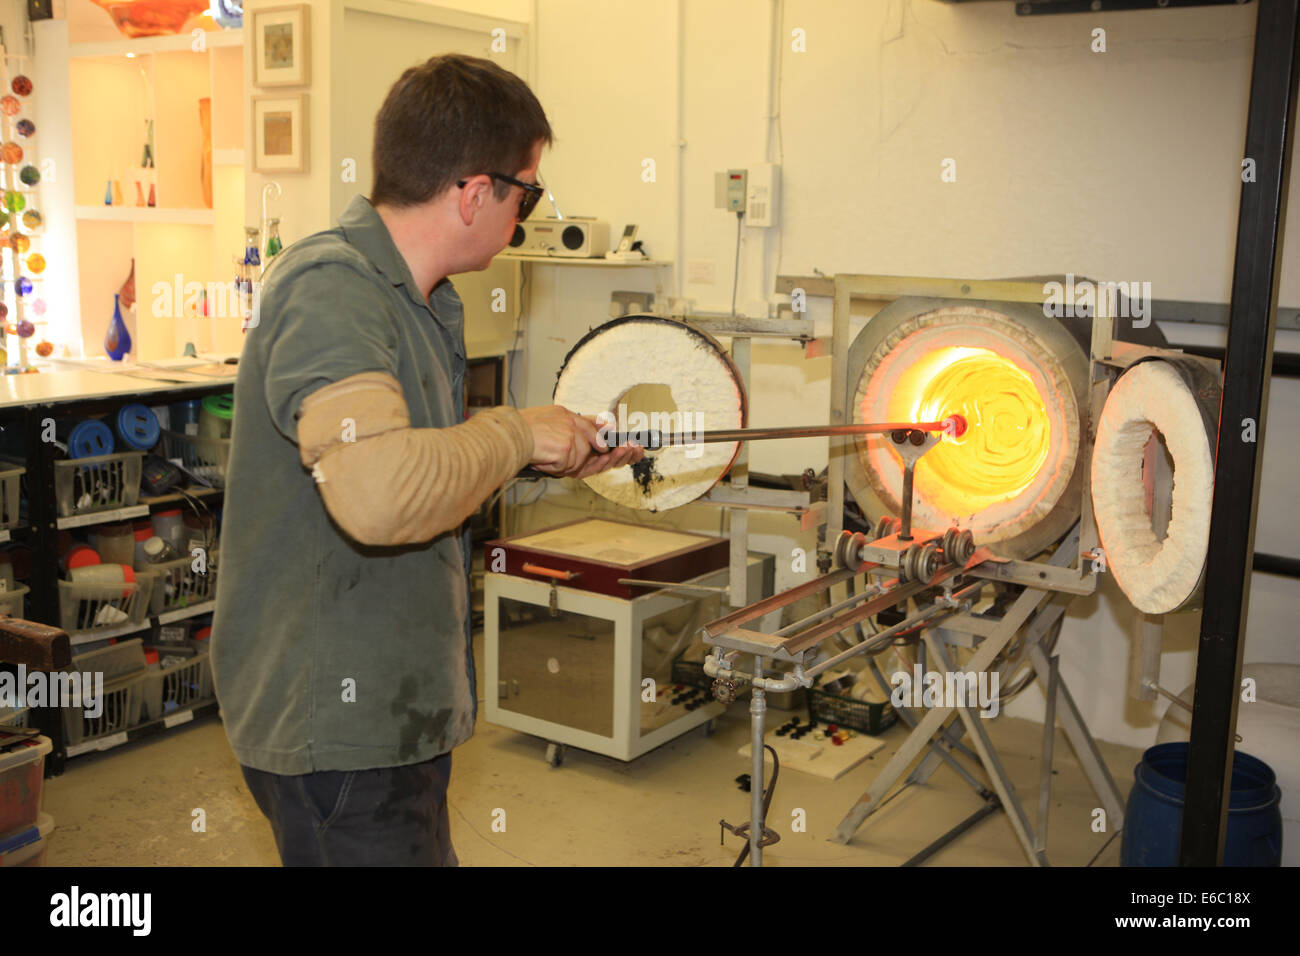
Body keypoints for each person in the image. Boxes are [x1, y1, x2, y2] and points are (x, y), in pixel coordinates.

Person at [210, 54, 642, 866]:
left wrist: (538, 453)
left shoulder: (420, 297)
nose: (523, 214)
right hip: (339, 728)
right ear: (478, 193)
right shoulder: (333, 290)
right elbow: (377, 494)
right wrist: (516, 434)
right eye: (528, 192)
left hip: (392, 710)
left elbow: (418, 455)